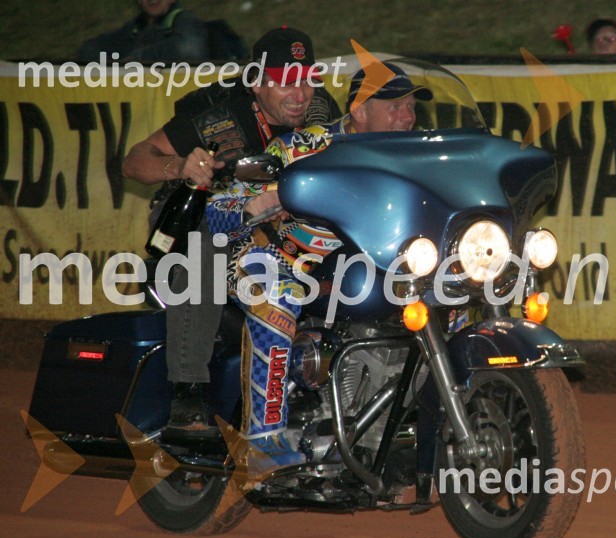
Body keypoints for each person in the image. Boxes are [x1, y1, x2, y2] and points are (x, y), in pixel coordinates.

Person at [204, 62, 432, 474]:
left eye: (411, 106)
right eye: (395, 106)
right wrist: (254, 202)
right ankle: (261, 439)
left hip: (364, 266)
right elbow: (221, 205)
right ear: (360, 111)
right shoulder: (305, 146)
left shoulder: (419, 154)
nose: (407, 117)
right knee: (277, 295)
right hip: (276, 258)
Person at [121, 27, 341, 439]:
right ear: (256, 82)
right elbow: (135, 161)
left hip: (278, 216)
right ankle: (188, 390)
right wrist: (181, 167)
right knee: (205, 243)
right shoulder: (215, 110)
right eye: (284, 83)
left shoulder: (324, 111)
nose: (300, 94)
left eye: (308, 80)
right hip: (195, 214)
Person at [79, 0, 209, 62]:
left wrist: (137, 59)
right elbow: (90, 49)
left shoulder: (186, 21)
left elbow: (190, 50)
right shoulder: (134, 27)